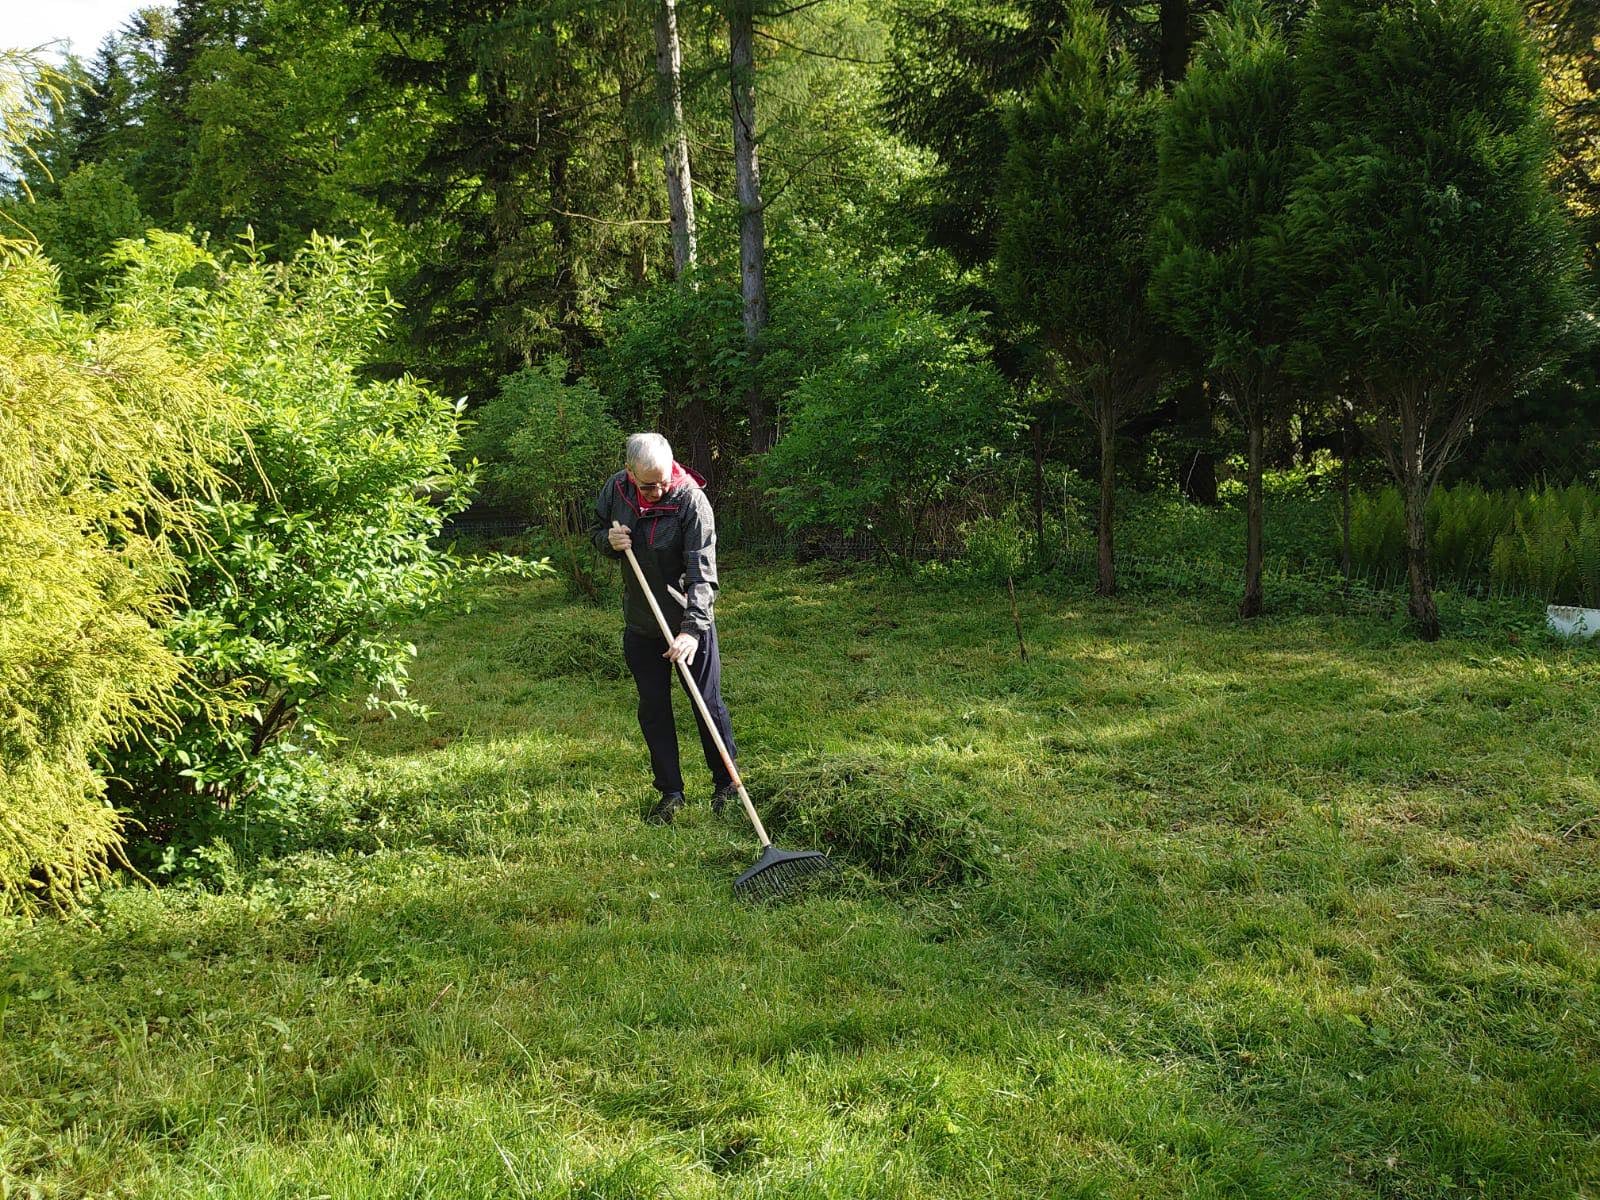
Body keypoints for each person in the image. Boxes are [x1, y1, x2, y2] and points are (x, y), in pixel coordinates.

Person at [591, 432, 738, 824]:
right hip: (642, 621)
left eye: (662, 482)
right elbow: (596, 531)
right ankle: (671, 793)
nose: (656, 492)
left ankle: (727, 787)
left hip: (688, 620)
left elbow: (703, 574)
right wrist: (608, 540)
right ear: (629, 472)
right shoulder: (616, 490)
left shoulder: (691, 500)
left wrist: (691, 630)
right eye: (647, 486)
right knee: (654, 708)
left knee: (706, 704)